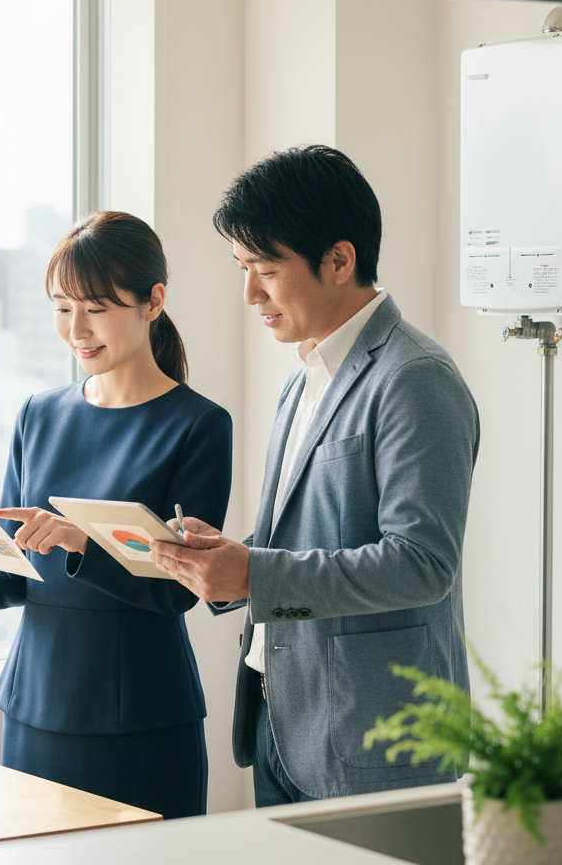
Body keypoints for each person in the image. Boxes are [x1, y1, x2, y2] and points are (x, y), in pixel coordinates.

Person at [150, 146, 480, 806]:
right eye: (243, 269)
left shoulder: (414, 378)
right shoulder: (308, 374)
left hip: (375, 741)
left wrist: (256, 573)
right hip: (284, 726)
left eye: (266, 271)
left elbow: (421, 564)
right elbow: (312, 537)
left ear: (339, 259)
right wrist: (230, 561)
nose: (250, 294)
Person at [0, 210, 232, 819]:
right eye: (63, 308)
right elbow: (17, 571)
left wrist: (82, 544)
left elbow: (181, 592)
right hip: (36, 706)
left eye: (96, 307)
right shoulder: (38, 413)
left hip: (140, 716)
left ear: (153, 302)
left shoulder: (198, 425)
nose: (77, 329)